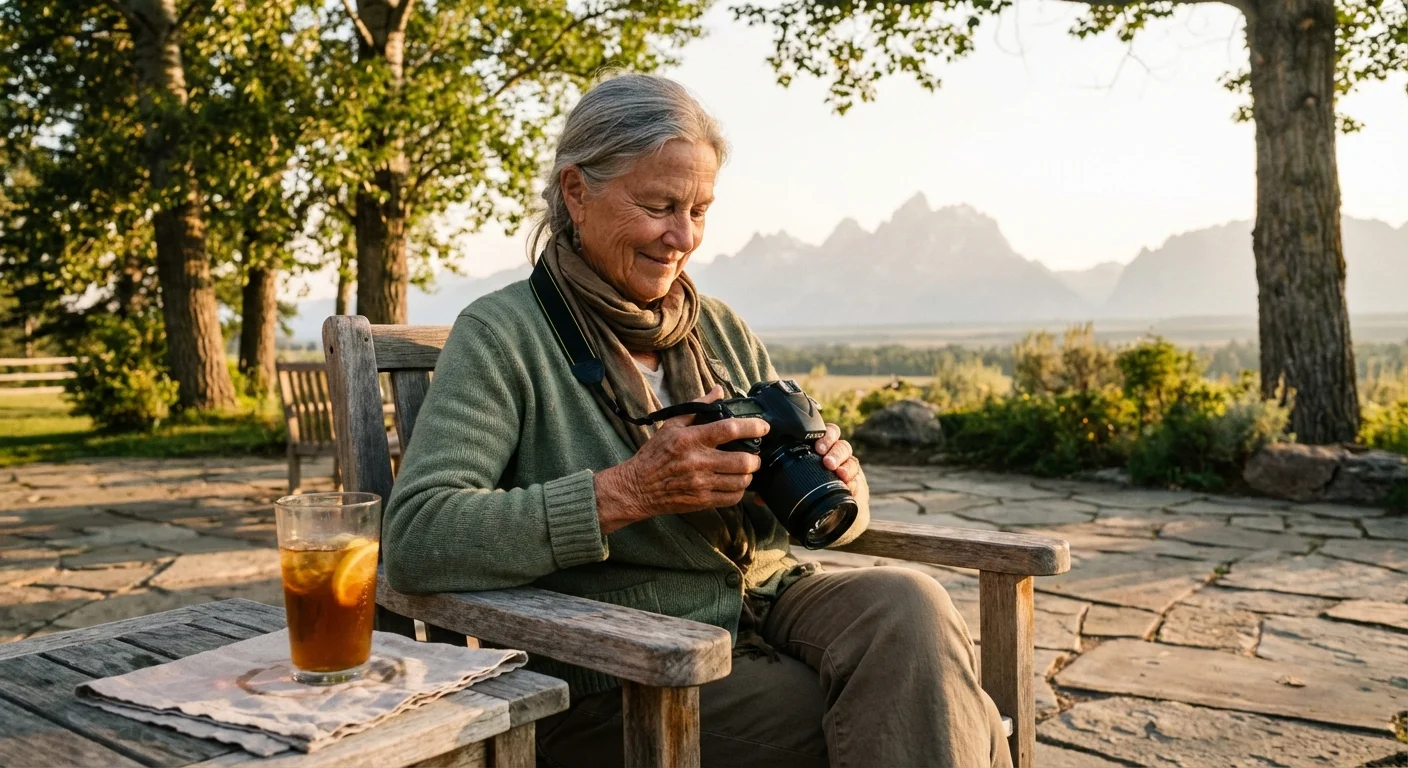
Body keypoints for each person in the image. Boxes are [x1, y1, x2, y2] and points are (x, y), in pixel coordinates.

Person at [383, 72, 1012, 768]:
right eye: (659, 205)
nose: (682, 237)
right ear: (576, 192)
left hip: (768, 601)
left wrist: (838, 486)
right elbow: (418, 535)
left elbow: (801, 516)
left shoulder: (717, 328)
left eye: (701, 209)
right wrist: (627, 493)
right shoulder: (504, 336)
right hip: (627, 664)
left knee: (913, 605)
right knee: (945, 713)